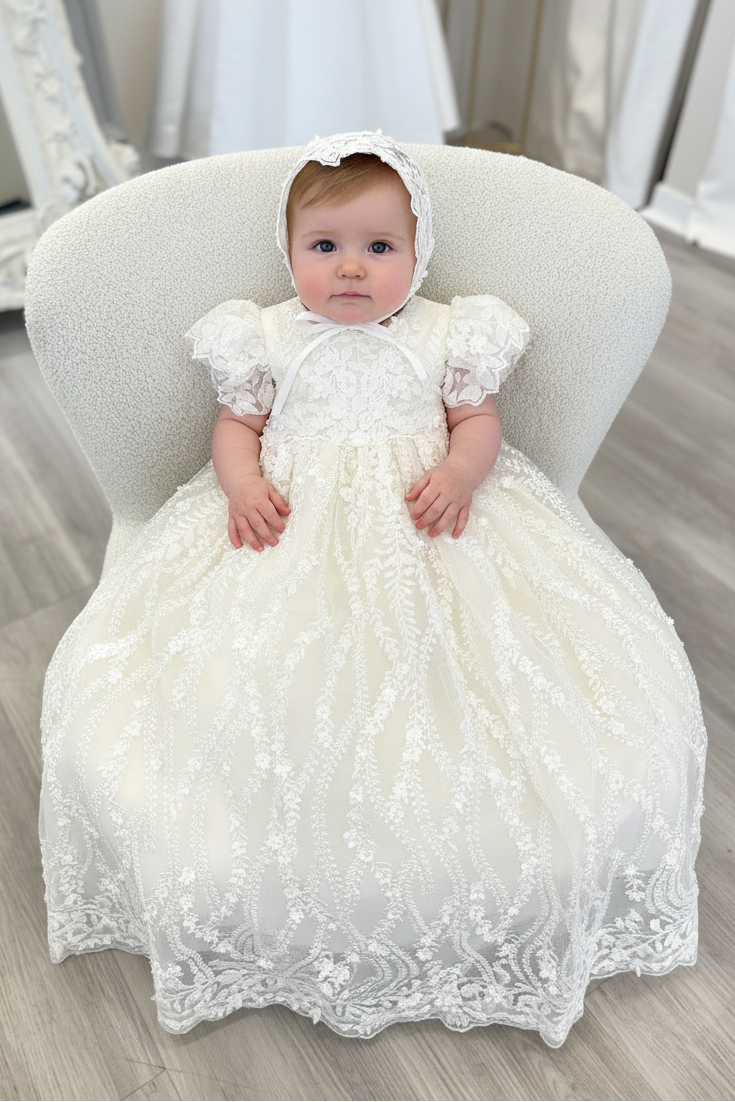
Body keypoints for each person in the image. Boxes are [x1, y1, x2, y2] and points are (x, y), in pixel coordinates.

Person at [40, 131, 706, 1048]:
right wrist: (242, 483)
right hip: (292, 522)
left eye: (378, 247)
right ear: (289, 253)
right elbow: (236, 428)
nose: (350, 268)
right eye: (324, 246)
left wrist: (462, 473)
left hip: (426, 520)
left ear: (416, 252)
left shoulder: (447, 333)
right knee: (260, 671)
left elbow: (476, 420)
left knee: (470, 670)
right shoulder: (264, 336)